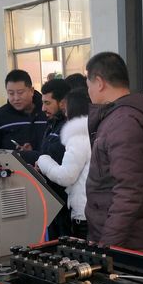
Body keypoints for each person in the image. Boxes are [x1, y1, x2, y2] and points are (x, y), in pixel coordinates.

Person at [85, 52, 143, 254]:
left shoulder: (124, 122)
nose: (88, 92)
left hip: (128, 243)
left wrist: (108, 247)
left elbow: (128, 192)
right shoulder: (120, 117)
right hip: (124, 236)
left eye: (88, 86)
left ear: (99, 83)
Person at [37, 89, 90, 239]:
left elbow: (66, 176)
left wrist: (43, 160)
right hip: (95, 209)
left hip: (84, 212)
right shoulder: (95, 131)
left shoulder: (78, 136)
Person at [0, 70, 47, 151]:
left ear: (31, 91)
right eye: (11, 93)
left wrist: (32, 153)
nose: (16, 98)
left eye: (20, 92)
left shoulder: (48, 112)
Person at [21, 79, 70, 166]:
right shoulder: (52, 123)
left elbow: (54, 159)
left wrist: (22, 155)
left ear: (62, 103)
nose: (43, 108)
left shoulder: (70, 128)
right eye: (42, 103)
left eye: (47, 103)